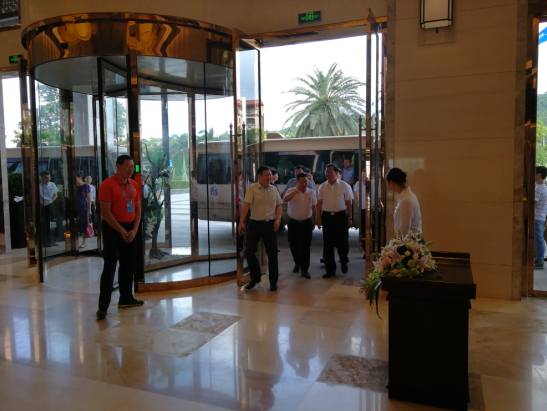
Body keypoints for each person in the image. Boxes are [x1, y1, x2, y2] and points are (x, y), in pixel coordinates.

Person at [96, 155, 143, 320]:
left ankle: (126, 298)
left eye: (132, 166)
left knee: (128, 265)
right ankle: (103, 307)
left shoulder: (133, 184)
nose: (131, 169)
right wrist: (122, 231)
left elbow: (137, 209)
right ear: (118, 166)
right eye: (127, 166)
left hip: (130, 228)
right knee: (110, 267)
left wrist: (134, 230)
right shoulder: (107, 184)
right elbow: (106, 213)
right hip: (113, 229)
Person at [238, 166, 282, 291]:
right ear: (259, 176)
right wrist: (241, 222)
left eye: (270, 175)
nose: (269, 177)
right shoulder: (252, 188)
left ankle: (273, 282)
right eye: (266, 175)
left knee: (272, 255)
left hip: (270, 224)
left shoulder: (274, 189)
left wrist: (278, 220)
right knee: (249, 251)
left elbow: (278, 206)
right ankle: (255, 277)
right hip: (255, 224)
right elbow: (246, 206)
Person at [317, 163, 354, 277]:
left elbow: (349, 203)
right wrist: (319, 219)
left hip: (340, 216)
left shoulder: (344, 185)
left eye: (330, 171)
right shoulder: (322, 186)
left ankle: (343, 261)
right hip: (327, 217)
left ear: (336, 173)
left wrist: (349, 217)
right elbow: (319, 204)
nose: (327, 174)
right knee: (328, 244)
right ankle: (330, 270)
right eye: (326, 171)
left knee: (342, 242)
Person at [284, 172, 317, 279]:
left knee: (305, 247)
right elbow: (285, 199)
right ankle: (297, 263)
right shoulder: (291, 191)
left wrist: (315, 221)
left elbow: (314, 208)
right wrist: (294, 192)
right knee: (293, 245)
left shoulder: (311, 192)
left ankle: (305, 269)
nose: (304, 184)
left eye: (306, 182)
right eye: (302, 182)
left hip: (306, 223)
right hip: (293, 223)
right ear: (297, 182)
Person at [386, 168, 422, 237]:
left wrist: (397, 242)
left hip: (411, 240)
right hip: (409, 239)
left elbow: (404, 229)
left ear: (391, 182)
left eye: (387, 183)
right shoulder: (405, 196)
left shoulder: (406, 200)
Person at [39, 171, 58, 247]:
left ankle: (52, 240)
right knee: (45, 224)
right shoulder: (40, 186)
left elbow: (55, 195)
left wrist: (51, 201)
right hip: (43, 206)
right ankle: (45, 241)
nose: (48, 179)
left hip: (51, 204)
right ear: (42, 178)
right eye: (46, 178)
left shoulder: (52, 184)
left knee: (53, 222)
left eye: (49, 177)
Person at [534, 166, 547, 269]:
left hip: (537, 217)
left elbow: (533, 203)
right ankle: (539, 259)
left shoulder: (538, 188)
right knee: (539, 239)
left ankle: (539, 261)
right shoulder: (544, 187)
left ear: (539, 175)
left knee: (539, 239)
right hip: (541, 216)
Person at [76, 171, 92, 249]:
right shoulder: (74, 186)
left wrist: (89, 210)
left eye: (76, 178)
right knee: (76, 224)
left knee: (84, 224)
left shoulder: (86, 186)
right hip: (76, 206)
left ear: (80, 178)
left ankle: (83, 242)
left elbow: (89, 198)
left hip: (83, 206)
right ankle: (75, 242)